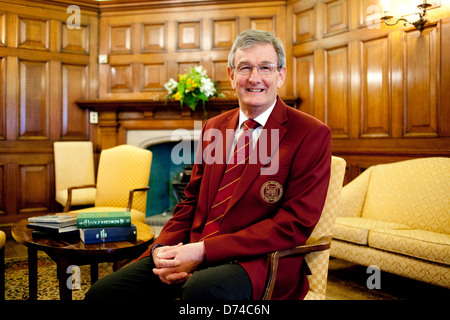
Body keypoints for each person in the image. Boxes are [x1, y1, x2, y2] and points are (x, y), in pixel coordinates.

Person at [85, 29, 331, 300]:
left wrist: (203, 252)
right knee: (103, 294)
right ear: (231, 75)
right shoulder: (214, 127)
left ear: (281, 75)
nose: (254, 77)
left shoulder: (309, 133)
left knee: (201, 290)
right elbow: (190, 202)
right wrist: (162, 248)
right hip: (192, 247)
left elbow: (292, 224)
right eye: (245, 67)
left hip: (257, 261)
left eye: (265, 67)